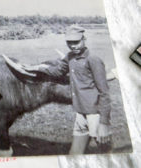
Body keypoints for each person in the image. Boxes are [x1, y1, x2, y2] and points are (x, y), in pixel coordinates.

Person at [23, 25, 112, 154]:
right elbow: (58, 71)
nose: (73, 46)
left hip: (95, 113)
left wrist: (104, 123)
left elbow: (104, 92)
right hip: (80, 113)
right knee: (75, 154)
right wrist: (37, 68)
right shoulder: (69, 57)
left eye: (76, 42)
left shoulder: (93, 60)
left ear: (84, 39)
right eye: (69, 42)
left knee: (105, 152)